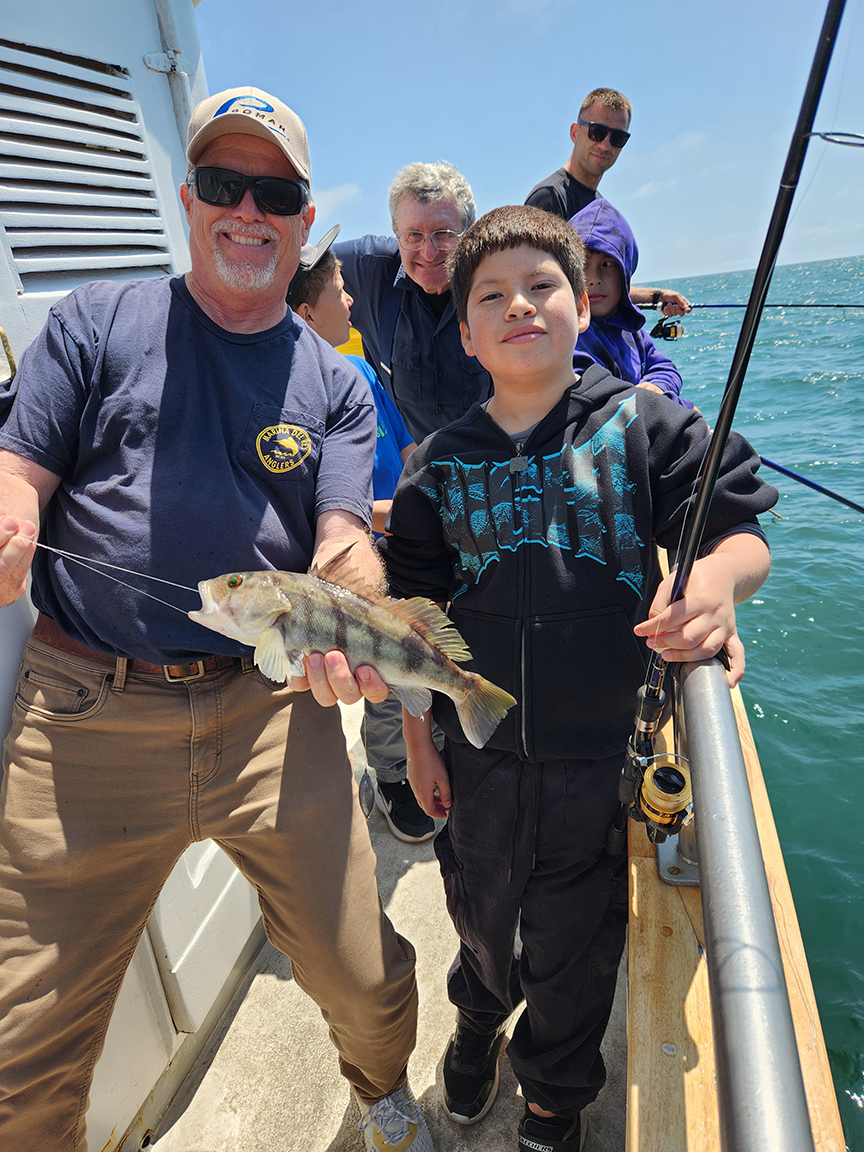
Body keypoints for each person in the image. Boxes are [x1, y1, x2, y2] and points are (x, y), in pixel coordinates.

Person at [0, 86, 434, 1152]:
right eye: (222, 185)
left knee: (360, 972)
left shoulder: (332, 382)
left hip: (269, 711)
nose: (247, 210)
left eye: (273, 192)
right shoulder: (96, 320)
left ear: (303, 220)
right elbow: (19, 470)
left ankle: (383, 1090)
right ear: (189, 200)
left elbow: (340, 540)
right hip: (82, 723)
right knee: (22, 1043)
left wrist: (369, 620)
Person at [381, 205, 777, 1150]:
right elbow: (412, 624)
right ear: (467, 335)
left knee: (577, 942)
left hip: (599, 758)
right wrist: (415, 743)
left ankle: (555, 1093)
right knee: (477, 908)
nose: (520, 305)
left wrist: (714, 585)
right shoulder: (432, 469)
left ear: (582, 303)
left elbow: (740, 528)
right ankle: (478, 1020)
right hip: (473, 759)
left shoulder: (651, 426)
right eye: (492, 296)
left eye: (541, 285)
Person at [288, 231, 435, 843]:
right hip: (357, 557)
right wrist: (392, 515)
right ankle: (393, 777)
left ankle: (423, 752)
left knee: (417, 653)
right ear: (305, 314)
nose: (351, 302)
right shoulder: (294, 397)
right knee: (376, 675)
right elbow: (316, 508)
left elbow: (407, 447)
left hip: (401, 536)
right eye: (339, 292)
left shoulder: (359, 369)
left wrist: (420, 505)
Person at [333, 161, 491, 443]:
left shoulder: (497, 277)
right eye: (414, 236)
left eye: (443, 234)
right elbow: (290, 270)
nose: (428, 253)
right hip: (408, 472)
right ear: (395, 231)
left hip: (491, 468)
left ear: (468, 232)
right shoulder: (369, 270)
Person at [526, 87, 691, 317]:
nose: (605, 145)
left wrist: (657, 296)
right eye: (597, 132)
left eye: (617, 137)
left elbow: (601, 288)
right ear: (575, 132)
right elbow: (536, 287)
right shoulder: (549, 197)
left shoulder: (600, 207)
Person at [570, 198, 694, 408]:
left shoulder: (634, 331)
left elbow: (665, 368)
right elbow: (600, 403)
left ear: (625, 273)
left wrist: (659, 387)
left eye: (608, 264)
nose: (593, 279)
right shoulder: (569, 337)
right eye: (582, 265)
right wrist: (681, 407)